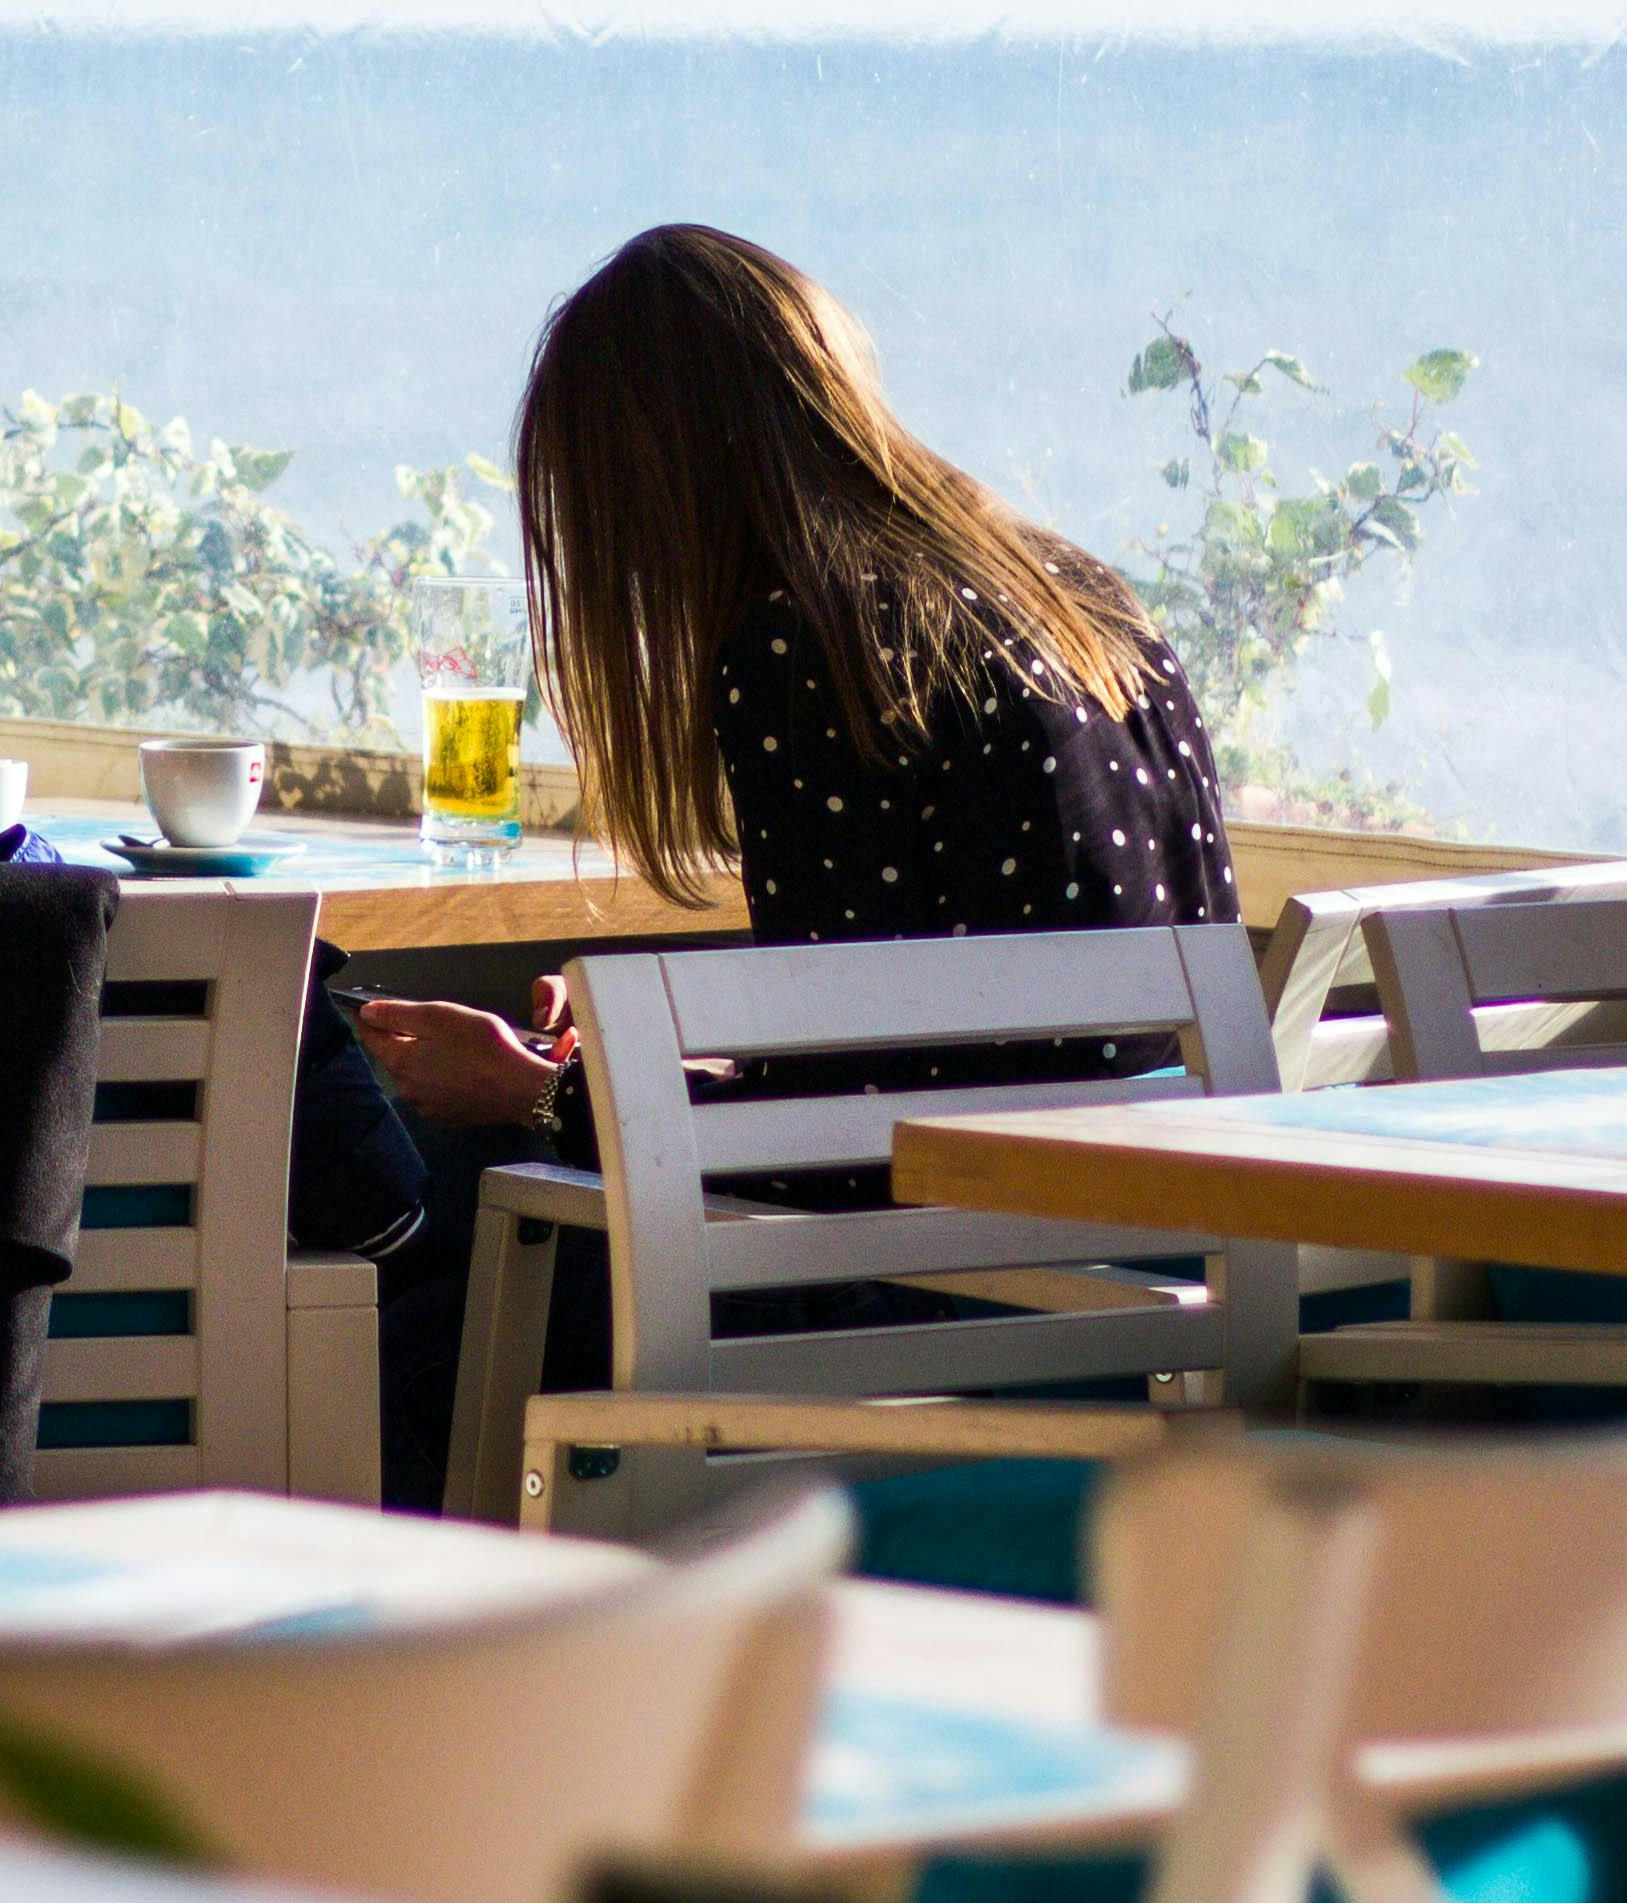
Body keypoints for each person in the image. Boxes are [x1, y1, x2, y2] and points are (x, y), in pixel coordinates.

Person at [333, 223, 1241, 1505]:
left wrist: (542, 1102)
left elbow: (849, 1149)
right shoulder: (1077, 598)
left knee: (395, 1319)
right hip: (1142, 1239)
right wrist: (647, 1072)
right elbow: (925, 1040)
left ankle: (487, 1666)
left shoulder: (813, 645)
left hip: (954, 1279)